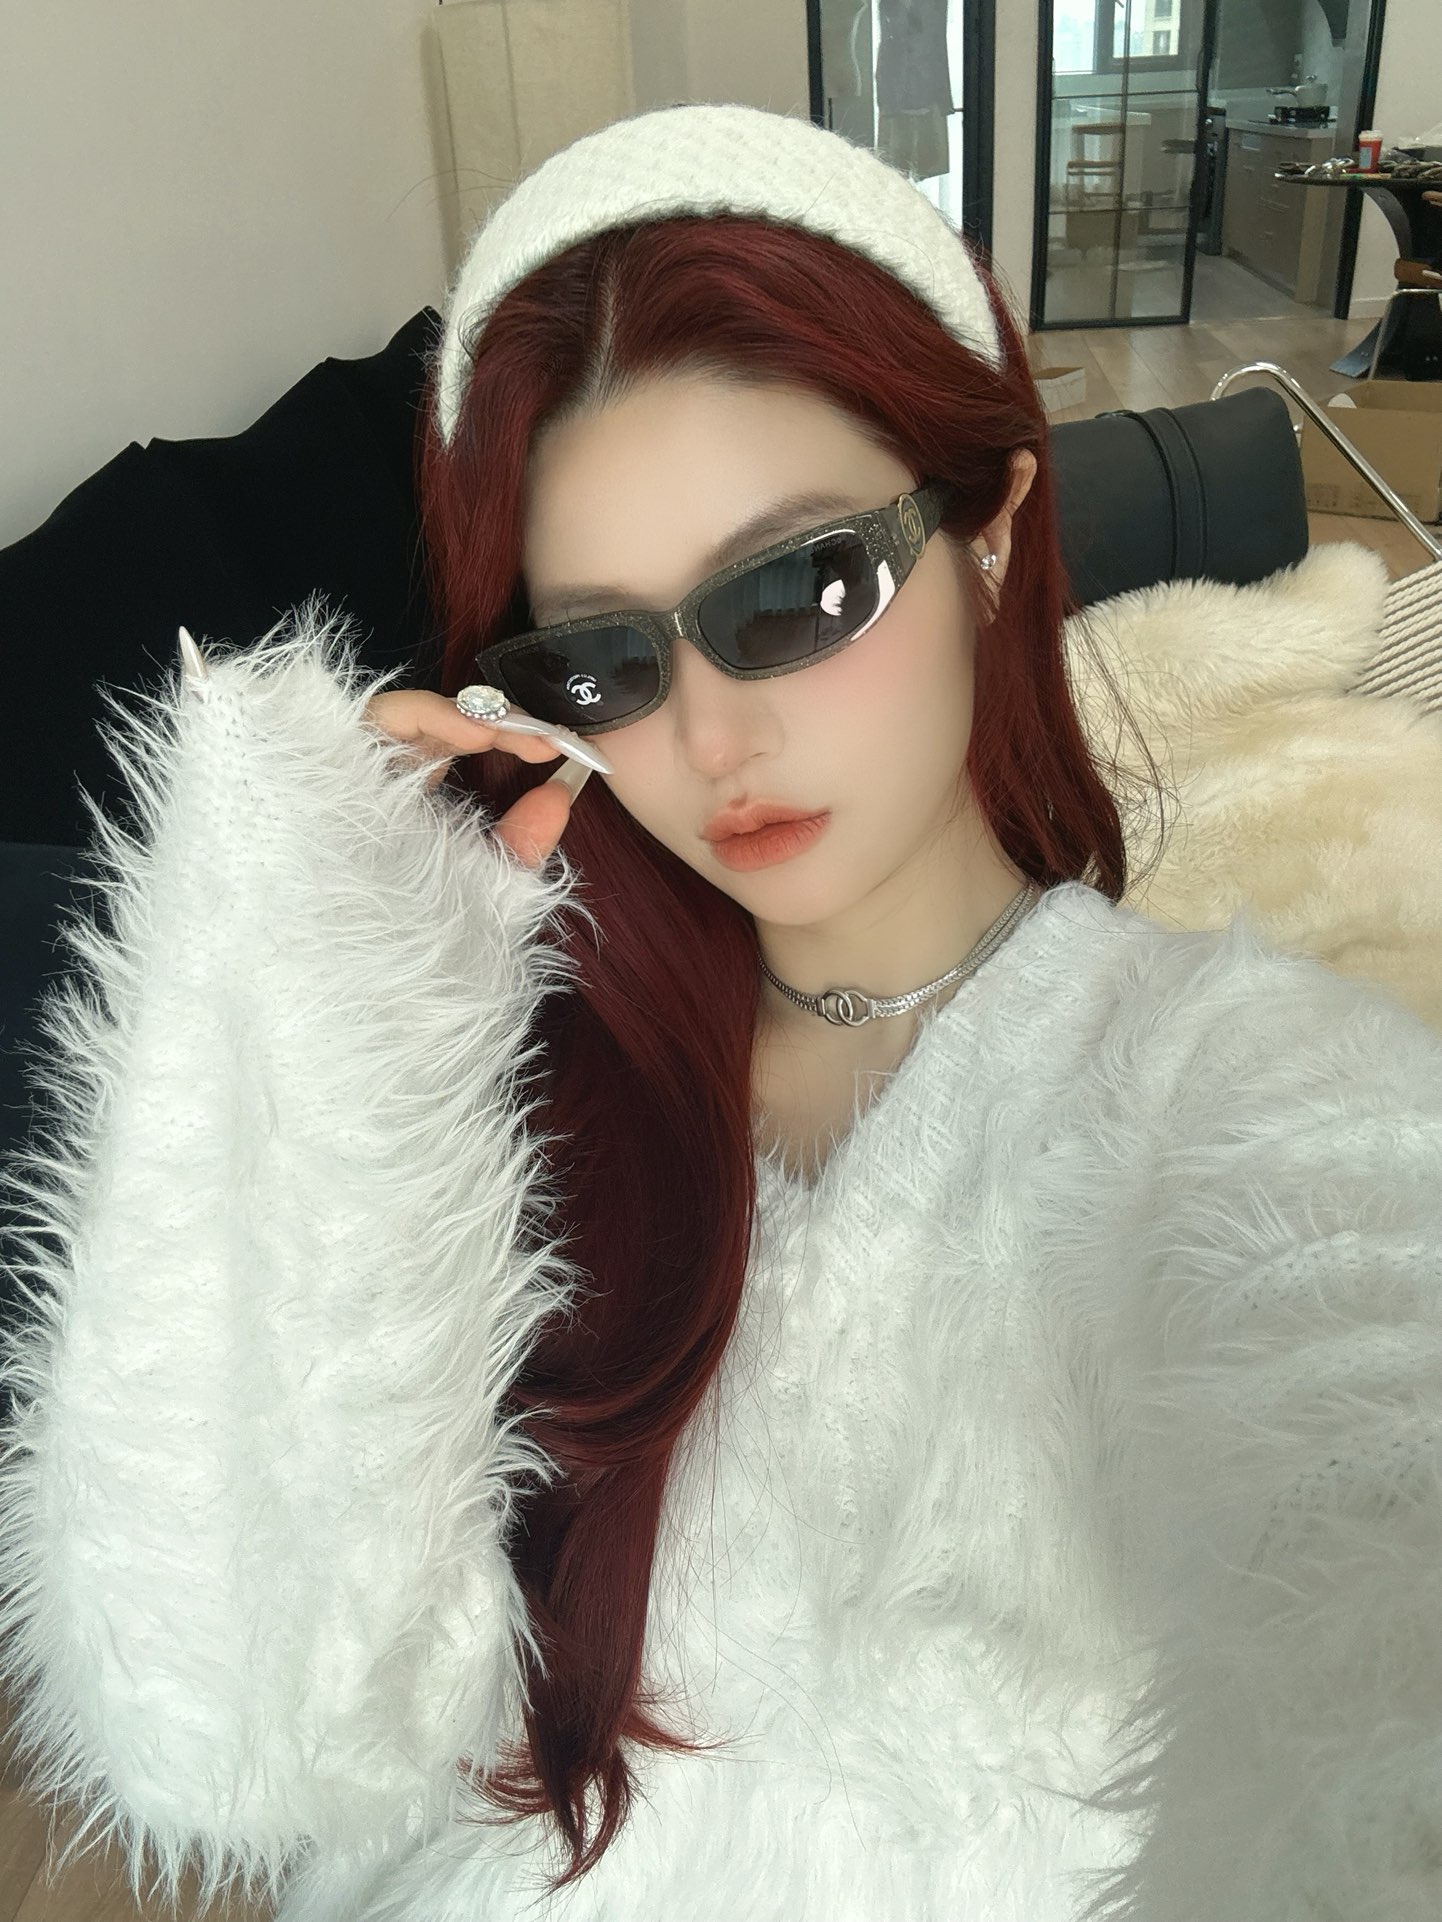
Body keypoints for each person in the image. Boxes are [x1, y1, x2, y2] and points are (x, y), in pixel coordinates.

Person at [1, 102, 1439, 1922]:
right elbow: (219, 1733)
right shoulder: (485, 1081)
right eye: (603, 656)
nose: (707, 736)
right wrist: (326, 989)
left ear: (992, 526)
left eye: (802, 588)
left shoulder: (1226, 1083)